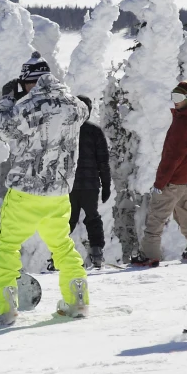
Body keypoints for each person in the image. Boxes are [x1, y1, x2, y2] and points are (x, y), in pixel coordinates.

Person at [0, 54, 91, 325]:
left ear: (27, 82)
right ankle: (77, 299)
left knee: (7, 248)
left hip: (26, 192)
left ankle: (2, 309)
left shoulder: (28, 106)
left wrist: (8, 100)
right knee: (63, 246)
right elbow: (84, 110)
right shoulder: (74, 105)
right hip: (58, 194)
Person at [130, 78, 187, 267]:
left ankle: (150, 255)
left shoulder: (183, 123)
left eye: (179, 96)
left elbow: (173, 157)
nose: (175, 100)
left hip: (174, 180)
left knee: (156, 217)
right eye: (173, 96)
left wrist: (160, 183)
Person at [69, 96, 112, 270]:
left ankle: (57, 256)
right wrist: (106, 185)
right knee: (92, 218)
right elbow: (103, 161)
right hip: (90, 186)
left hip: (69, 185)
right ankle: (96, 254)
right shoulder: (94, 130)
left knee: (67, 220)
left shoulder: (67, 129)